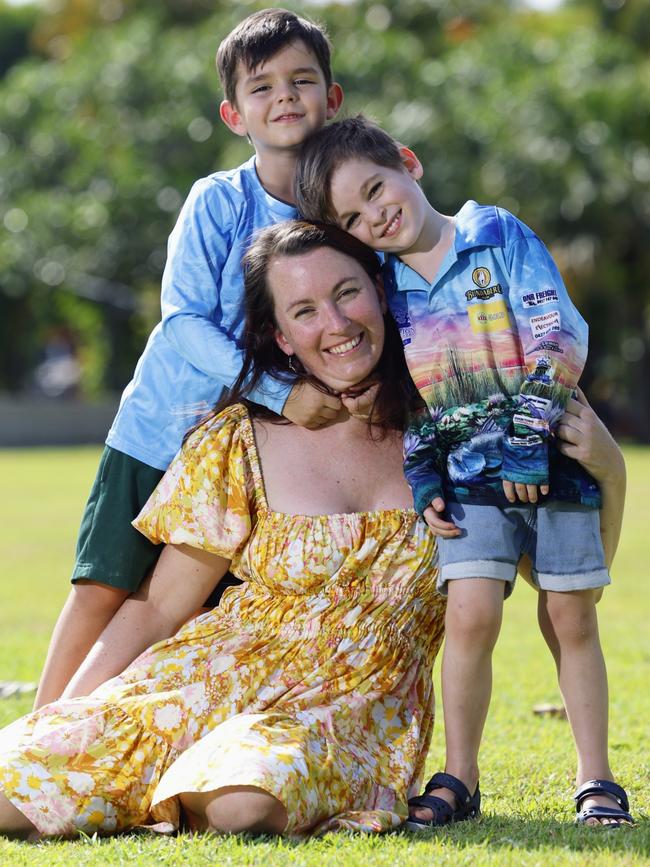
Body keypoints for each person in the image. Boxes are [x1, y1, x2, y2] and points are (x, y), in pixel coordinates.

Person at [0, 222, 625, 841]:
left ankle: (167, 787)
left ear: (381, 294)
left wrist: (609, 470)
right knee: (14, 786)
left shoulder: (459, 434)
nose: (336, 323)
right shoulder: (241, 438)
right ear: (283, 338)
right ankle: (129, 774)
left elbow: (569, 592)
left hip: (344, 712)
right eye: (304, 310)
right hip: (201, 679)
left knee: (243, 800)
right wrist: (66, 716)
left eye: (347, 292)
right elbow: (159, 608)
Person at [294, 117, 634, 828]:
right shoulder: (384, 288)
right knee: (470, 612)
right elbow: (407, 393)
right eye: (354, 217)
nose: (375, 215)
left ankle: (597, 777)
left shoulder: (496, 235)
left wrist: (528, 430)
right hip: (467, 478)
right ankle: (460, 776)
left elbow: (560, 332)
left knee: (570, 613)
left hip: (555, 459)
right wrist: (424, 476)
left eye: (376, 189)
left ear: (408, 164)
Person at [34, 8, 345, 709]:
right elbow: (182, 323)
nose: (286, 96)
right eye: (263, 88)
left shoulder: (345, 216)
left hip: (253, 457)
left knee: (194, 608)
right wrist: (276, 389)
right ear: (235, 115)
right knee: (103, 588)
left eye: (302, 80)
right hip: (162, 429)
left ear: (333, 98)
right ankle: (27, 747)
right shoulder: (218, 202)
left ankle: (124, 743)